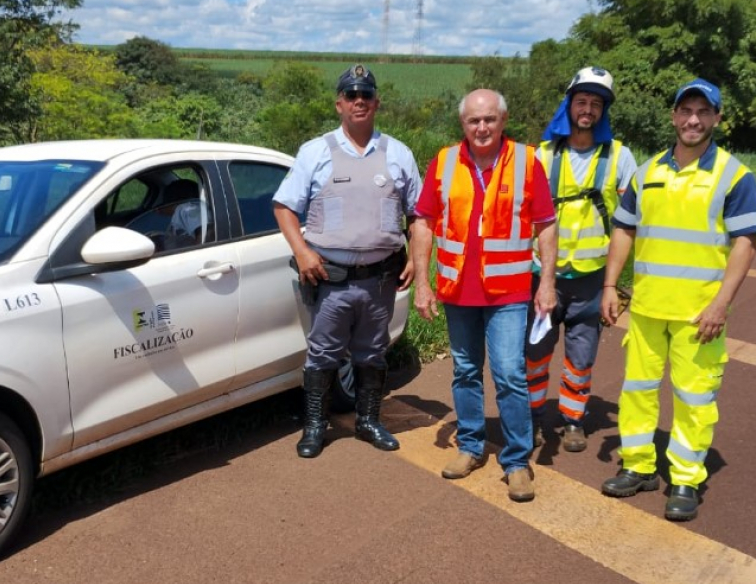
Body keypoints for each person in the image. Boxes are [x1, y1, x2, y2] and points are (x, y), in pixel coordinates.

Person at [599, 79, 756, 521]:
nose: (693, 119)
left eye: (703, 112)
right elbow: (624, 229)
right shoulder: (647, 172)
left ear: (717, 119)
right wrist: (611, 286)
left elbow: (746, 243)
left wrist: (720, 305)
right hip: (648, 308)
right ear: (673, 116)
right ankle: (638, 467)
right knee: (636, 392)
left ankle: (687, 479)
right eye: (686, 110)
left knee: (693, 399)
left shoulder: (735, 176)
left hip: (699, 314)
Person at [409, 89, 557, 502]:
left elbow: (546, 224)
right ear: (463, 124)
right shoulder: (444, 161)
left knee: (510, 374)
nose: (482, 127)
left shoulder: (528, 162)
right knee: (465, 371)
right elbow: (423, 222)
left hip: (508, 290)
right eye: (474, 120)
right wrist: (423, 282)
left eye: (489, 119)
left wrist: (546, 282)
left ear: (503, 120)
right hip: (458, 290)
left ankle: (516, 462)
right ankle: (471, 446)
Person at [272, 64, 422, 459]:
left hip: (380, 278)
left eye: (366, 95)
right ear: (339, 104)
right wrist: (302, 251)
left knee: (372, 353)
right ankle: (316, 427)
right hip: (331, 278)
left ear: (377, 103)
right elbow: (285, 207)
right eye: (351, 95)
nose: (360, 101)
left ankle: (369, 420)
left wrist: (419, 259)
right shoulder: (316, 151)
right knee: (323, 354)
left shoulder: (399, 153)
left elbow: (420, 214)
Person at [527, 66, 638, 453]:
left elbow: (630, 223)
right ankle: (533, 417)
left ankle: (573, 419)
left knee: (581, 354)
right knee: (536, 353)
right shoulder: (541, 155)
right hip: (543, 276)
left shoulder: (620, 157)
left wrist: (615, 282)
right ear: (569, 105)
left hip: (591, 279)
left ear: (603, 110)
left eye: (595, 103)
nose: (587, 109)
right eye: (581, 101)